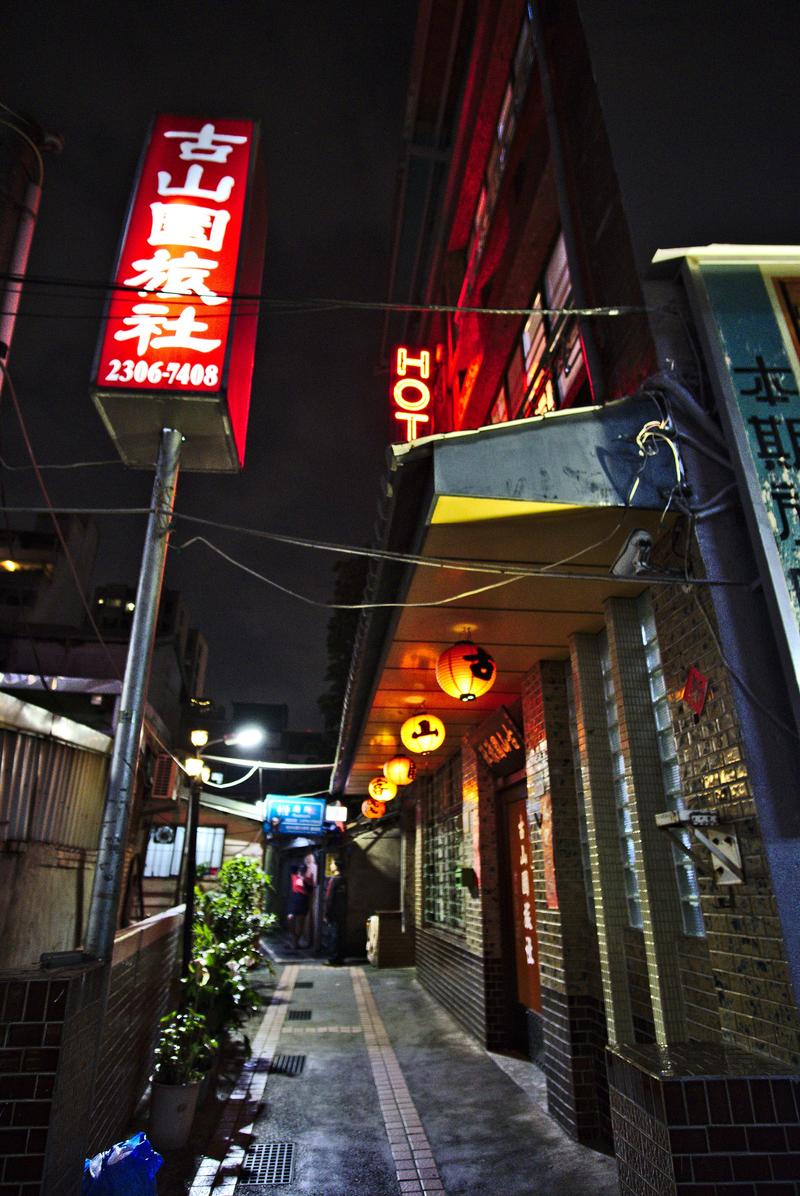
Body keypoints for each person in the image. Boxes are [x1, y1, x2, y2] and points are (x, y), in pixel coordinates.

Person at [323, 858, 347, 966]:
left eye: (332, 863)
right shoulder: (344, 880)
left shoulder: (334, 880)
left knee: (333, 935)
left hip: (333, 912)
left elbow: (329, 898)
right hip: (342, 912)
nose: (330, 865)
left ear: (336, 866)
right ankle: (340, 958)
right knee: (340, 935)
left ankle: (333, 959)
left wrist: (326, 913)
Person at [287, 863, 310, 948]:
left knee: (300, 921)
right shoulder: (294, 876)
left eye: (304, 870)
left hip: (303, 899)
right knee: (290, 918)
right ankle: (294, 938)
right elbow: (292, 867)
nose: (302, 871)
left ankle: (296, 941)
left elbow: (309, 890)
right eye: (301, 869)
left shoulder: (307, 880)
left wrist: (303, 880)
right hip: (294, 898)